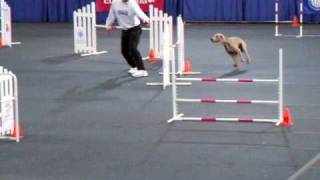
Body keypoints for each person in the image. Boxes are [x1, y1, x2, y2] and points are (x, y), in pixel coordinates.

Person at [105, 0, 150, 77]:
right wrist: (108, 24)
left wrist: (146, 20)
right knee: (124, 51)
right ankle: (134, 66)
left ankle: (142, 70)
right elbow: (111, 14)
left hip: (135, 28)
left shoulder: (132, 3)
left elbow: (140, 13)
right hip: (125, 29)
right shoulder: (115, 2)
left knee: (133, 48)